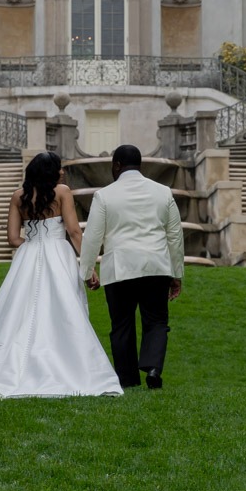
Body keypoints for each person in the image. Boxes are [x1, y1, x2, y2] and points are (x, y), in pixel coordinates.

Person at [0, 152, 123, 398]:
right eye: (59, 168)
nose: (62, 172)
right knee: (63, 307)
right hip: (58, 254)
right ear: (51, 172)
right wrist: (88, 268)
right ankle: (67, 365)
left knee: (19, 311)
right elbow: (74, 232)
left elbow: (12, 238)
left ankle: (14, 366)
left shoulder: (18, 196)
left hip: (28, 256)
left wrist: (33, 243)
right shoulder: (62, 192)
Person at [77, 144, 185, 389]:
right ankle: (154, 368)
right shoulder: (163, 192)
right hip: (156, 266)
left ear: (116, 165)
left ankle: (127, 380)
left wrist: (86, 271)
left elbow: (93, 236)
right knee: (156, 321)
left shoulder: (104, 195)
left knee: (121, 325)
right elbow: (175, 236)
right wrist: (176, 274)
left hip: (119, 268)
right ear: (141, 165)